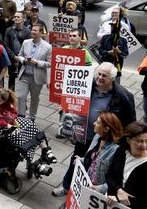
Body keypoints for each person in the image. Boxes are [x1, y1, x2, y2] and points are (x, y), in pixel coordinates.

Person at [54, 62, 136, 196]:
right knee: (76, 161)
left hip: (104, 141)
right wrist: (66, 108)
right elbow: (74, 102)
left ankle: (87, 193)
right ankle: (67, 187)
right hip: (83, 133)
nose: (100, 77)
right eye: (98, 73)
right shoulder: (86, 84)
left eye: (104, 75)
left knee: (96, 168)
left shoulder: (124, 96)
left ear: (112, 79)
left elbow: (131, 121)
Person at [0, 88, 56, 175]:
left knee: (28, 123)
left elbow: (13, 111)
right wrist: (6, 124)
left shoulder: (4, 102)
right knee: (18, 135)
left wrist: (11, 117)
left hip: (4, 121)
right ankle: (33, 163)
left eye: (0, 100)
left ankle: (45, 149)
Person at [107, 122, 147, 209]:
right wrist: (118, 190)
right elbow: (109, 175)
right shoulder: (121, 151)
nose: (144, 145)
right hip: (111, 203)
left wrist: (119, 198)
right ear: (128, 140)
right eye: (139, 141)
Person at [68, 112, 125, 195]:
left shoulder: (116, 151)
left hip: (98, 194)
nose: (94, 123)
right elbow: (92, 159)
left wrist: (101, 189)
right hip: (87, 184)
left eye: (98, 123)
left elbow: (118, 181)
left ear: (106, 129)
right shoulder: (97, 136)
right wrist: (81, 160)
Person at [15, 24, 51, 120]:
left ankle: (32, 118)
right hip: (24, 75)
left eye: (35, 30)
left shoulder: (48, 47)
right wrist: (23, 60)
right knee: (21, 96)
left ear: (40, 32)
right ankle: (21, 117)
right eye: (32, 30)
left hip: (37, 78)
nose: (33, 32)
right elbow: (19, 55)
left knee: (34, 99)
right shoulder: (26, 42)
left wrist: (37, 62)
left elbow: (49, 63)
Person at [4, 12, 31, 90]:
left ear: (23, 19)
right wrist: (14, 57)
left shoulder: (27, 31)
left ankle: (21, 95)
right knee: (11, 77)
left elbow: (28, 46)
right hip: (12, 58)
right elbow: (6, 45)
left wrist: (21, 57)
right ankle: (10, 95)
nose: (16, 18)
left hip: (22, 58)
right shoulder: (8, 30)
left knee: (23, 78)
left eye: (18, 17)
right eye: (15, 17)